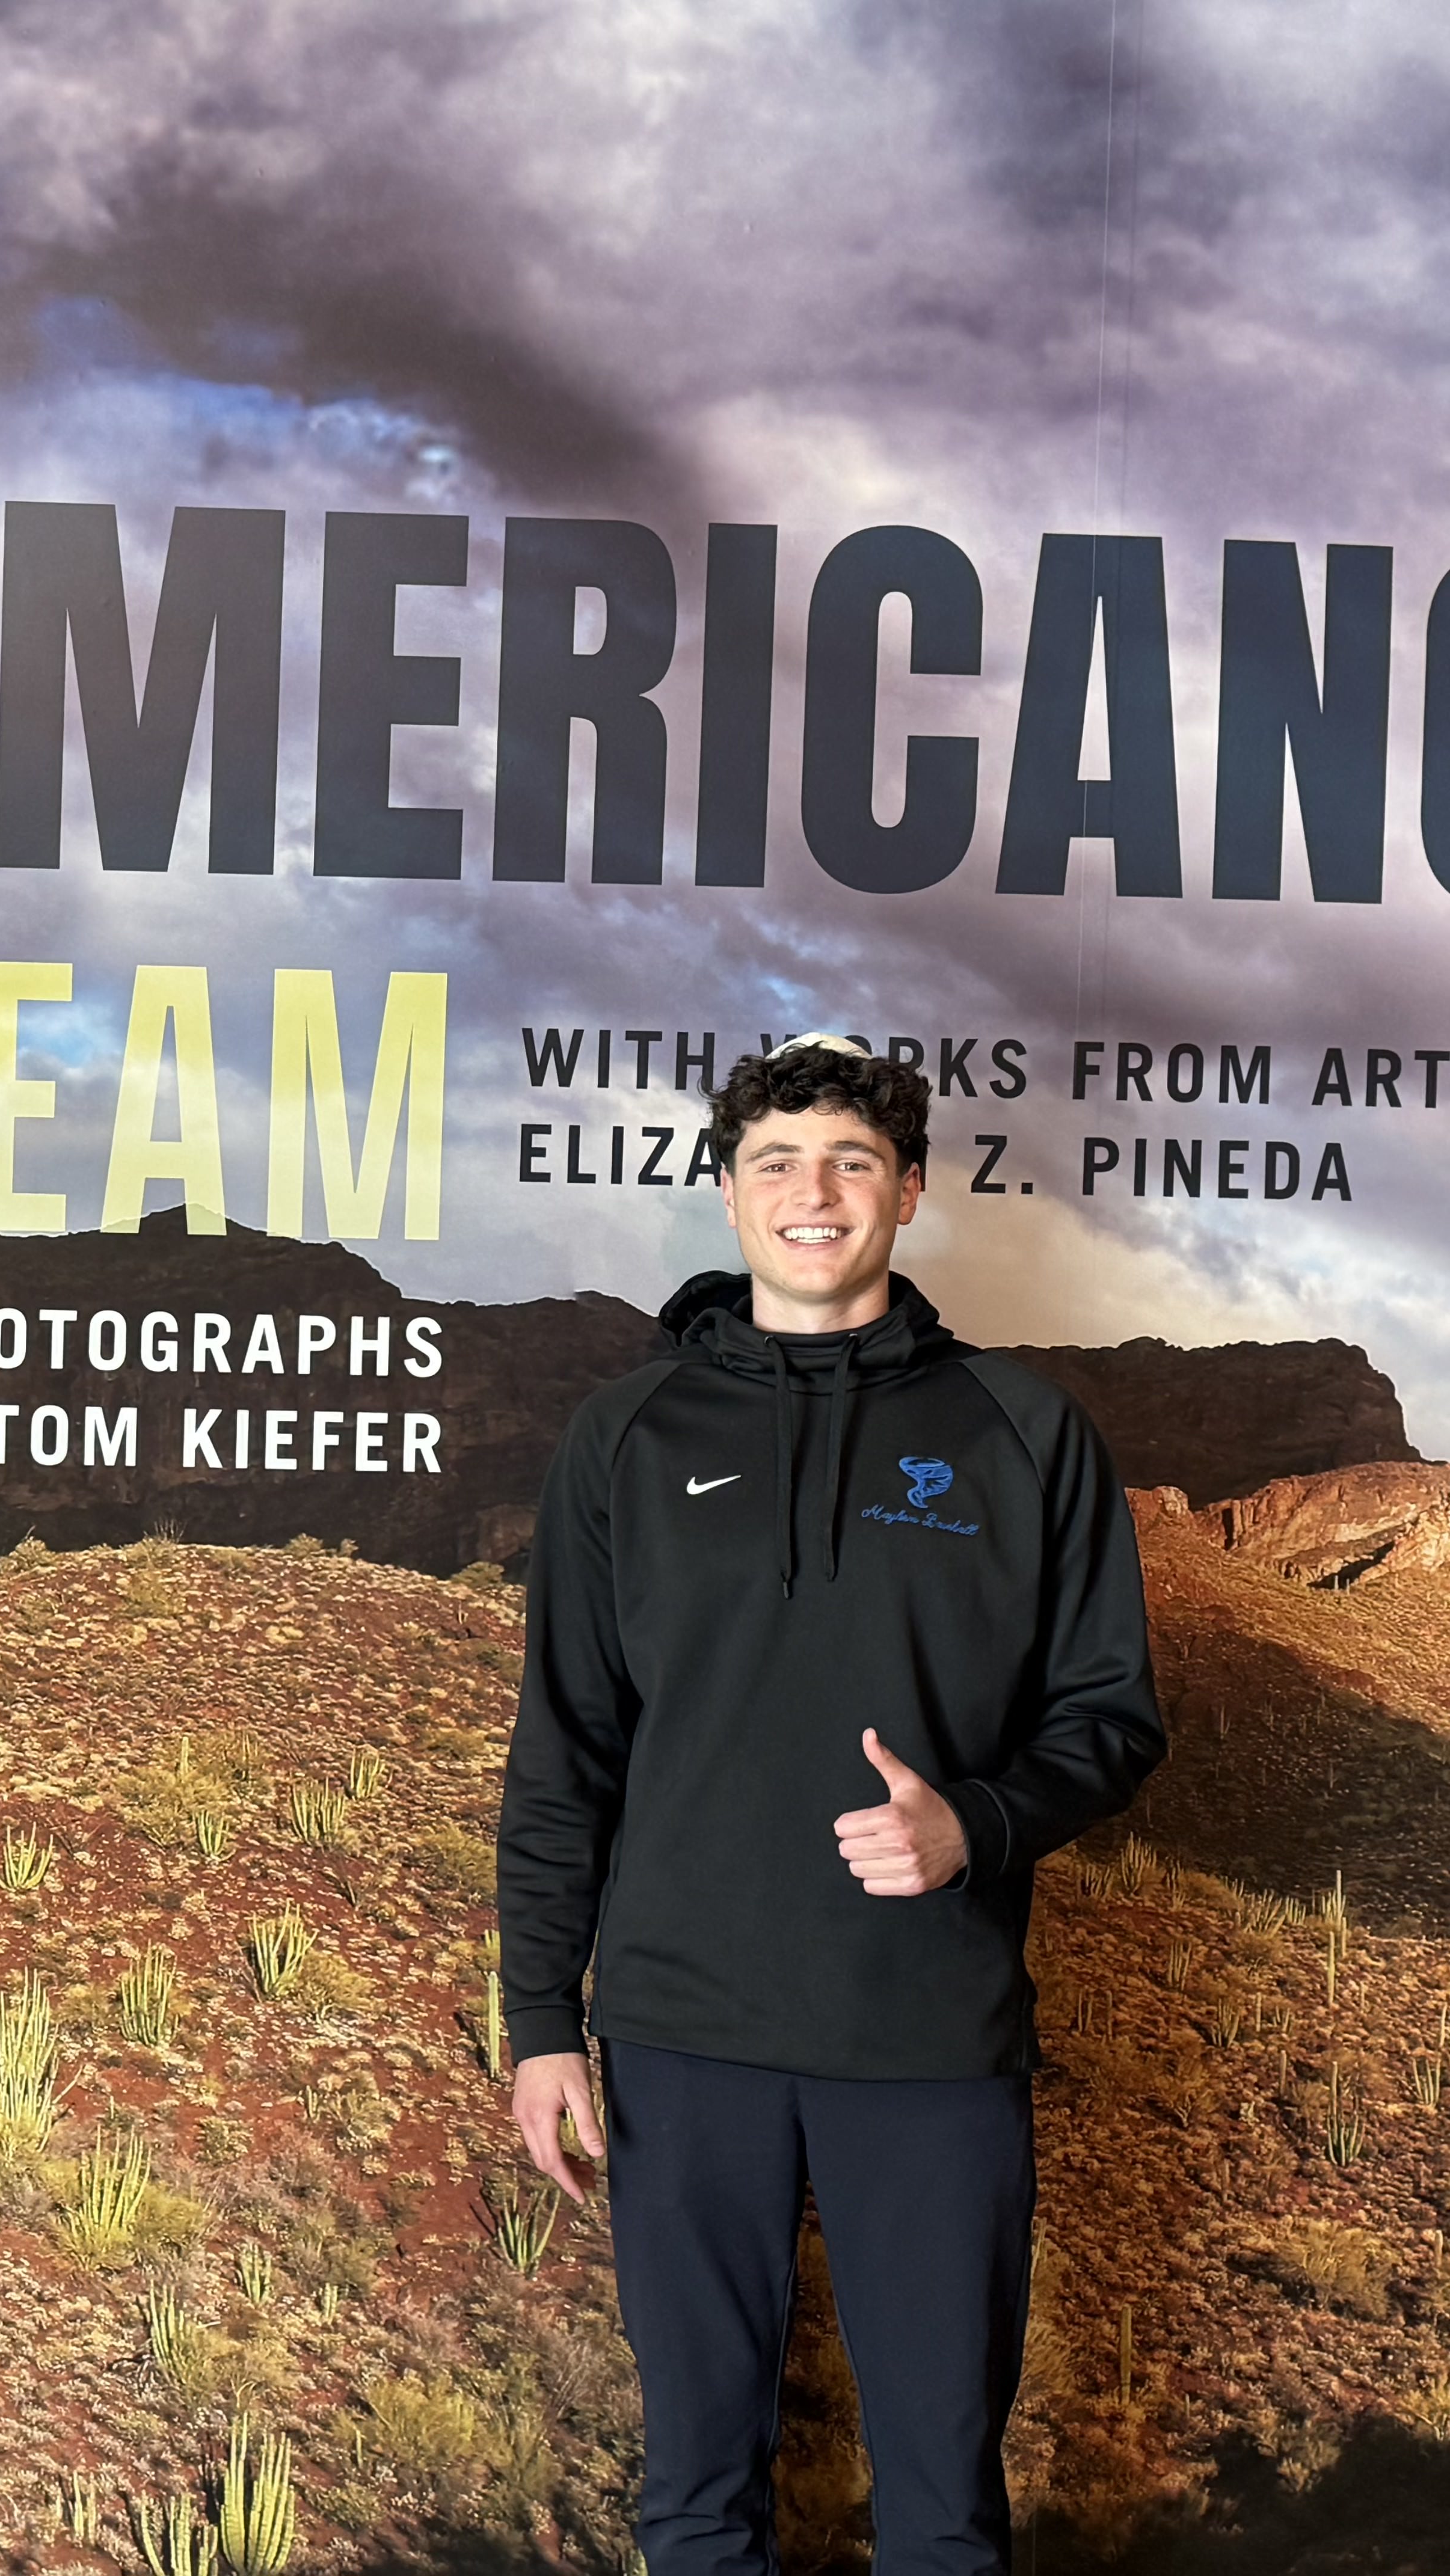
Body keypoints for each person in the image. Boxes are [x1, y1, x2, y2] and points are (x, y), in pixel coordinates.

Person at [496, 1034, 1167, 2576]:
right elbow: (567, 1747)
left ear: (910, 1191)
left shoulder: (1022, 1432)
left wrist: (973, 1825)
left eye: (854, 1162)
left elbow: (1114, 1716)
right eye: (779, 1162)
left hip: (928, 2043)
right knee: (698, 2501)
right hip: (683, 2036)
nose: (817, 1192)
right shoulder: (628, 1437)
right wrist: (541, 2019)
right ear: (731, 1196)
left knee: (943, 2513)